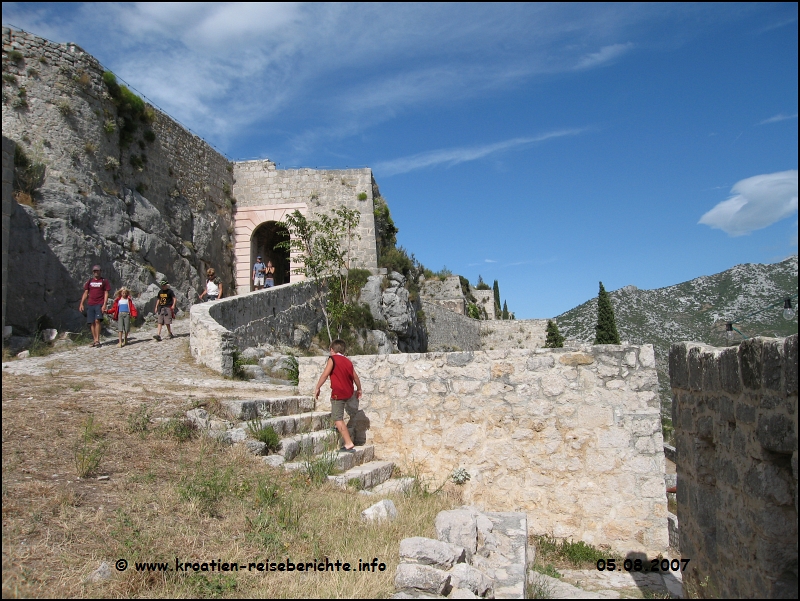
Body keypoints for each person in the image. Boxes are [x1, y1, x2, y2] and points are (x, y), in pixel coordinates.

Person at [313, 339, 362, 452]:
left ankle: (348, 443)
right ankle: (341, 429)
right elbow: (355, 377)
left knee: (337, 417)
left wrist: (317, 387)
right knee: (339, 412)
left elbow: (325, 375)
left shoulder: (333, 359)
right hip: (348, 392)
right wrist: (359, 389)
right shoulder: (348, 361)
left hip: (338, 393)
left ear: (332, 350)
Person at [78, 264, 111, 347]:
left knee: (97, 320)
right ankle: (95, 339)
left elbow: (106, 293)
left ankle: (97, 340)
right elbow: (86, 292)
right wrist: (81, 303)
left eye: (97, 270)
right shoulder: (90, 281)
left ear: (100, 271)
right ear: (93, 272)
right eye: (94, 271)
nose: (96, 272)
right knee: (91, 322)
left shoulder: (104, 281)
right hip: (90, 304)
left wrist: (104, 304)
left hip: (99, 303)